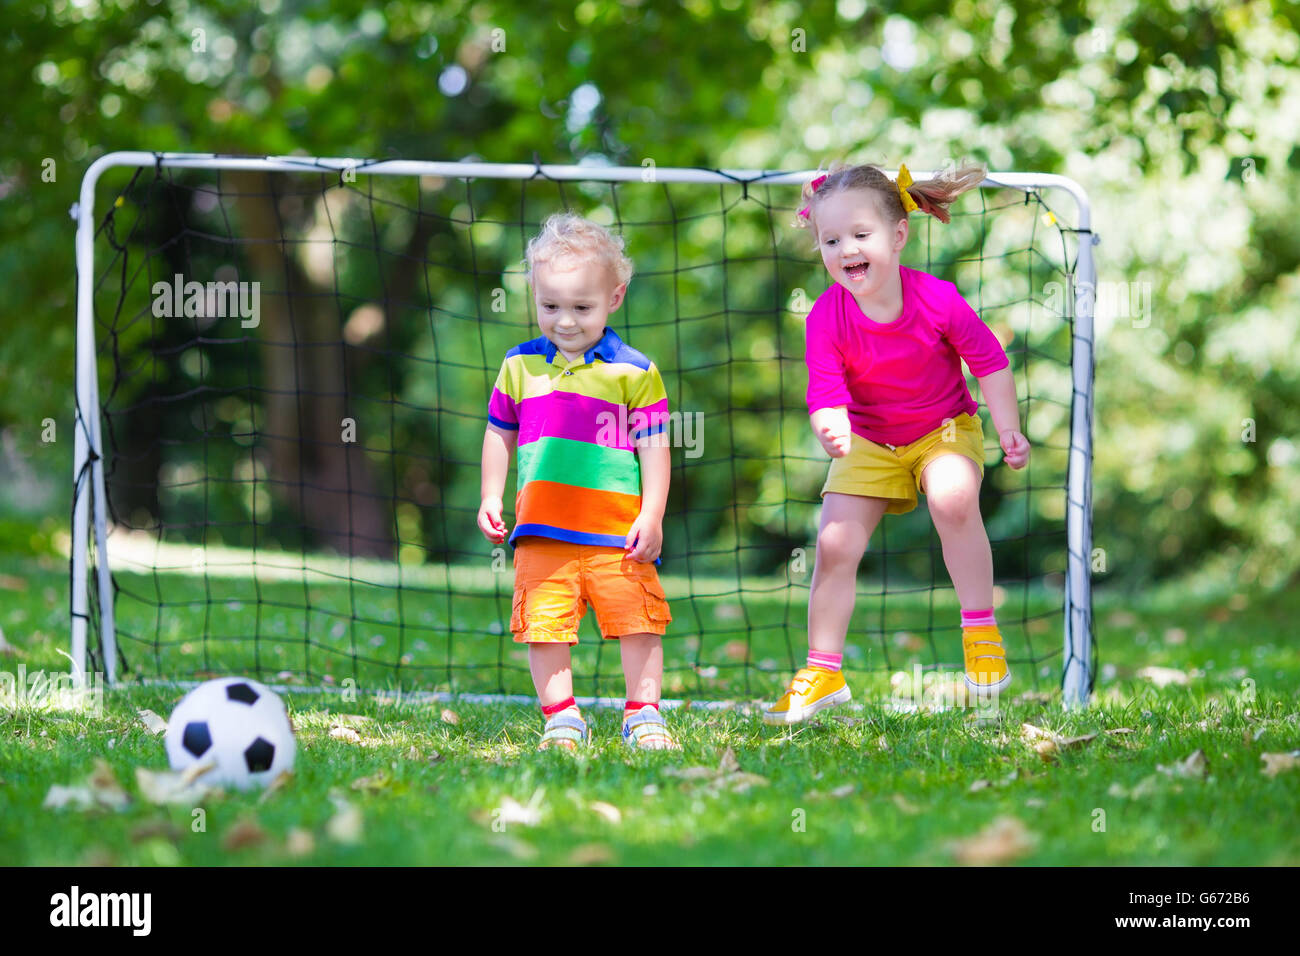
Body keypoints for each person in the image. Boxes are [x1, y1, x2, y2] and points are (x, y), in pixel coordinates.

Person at [765, 161, 1031, 725]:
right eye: (831, 240)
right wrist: (829, 424)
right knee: (834, 544)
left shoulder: (938, 299)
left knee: (953, 499)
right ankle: (823, 671)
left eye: (861, 235)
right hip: (868, 438)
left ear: (898, 235)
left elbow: (990, 363)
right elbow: (825, 394)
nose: (846, 249)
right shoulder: (824, 317)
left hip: (943, 429)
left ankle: (980, 631)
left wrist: (1007, 425)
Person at [478, 212, 678, 750]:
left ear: (615, 297)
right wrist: (490, 496)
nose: (565, 320)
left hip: (618, 533)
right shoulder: (518, 366)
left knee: (640, 621)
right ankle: (562, 717)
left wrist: (651, 513)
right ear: (535, 296)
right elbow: (499, 432)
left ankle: (643, 714)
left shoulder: (634, 372)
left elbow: (654, 446)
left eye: (581, 307)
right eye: (550, 306)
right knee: (543, 627)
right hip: (542, 531)